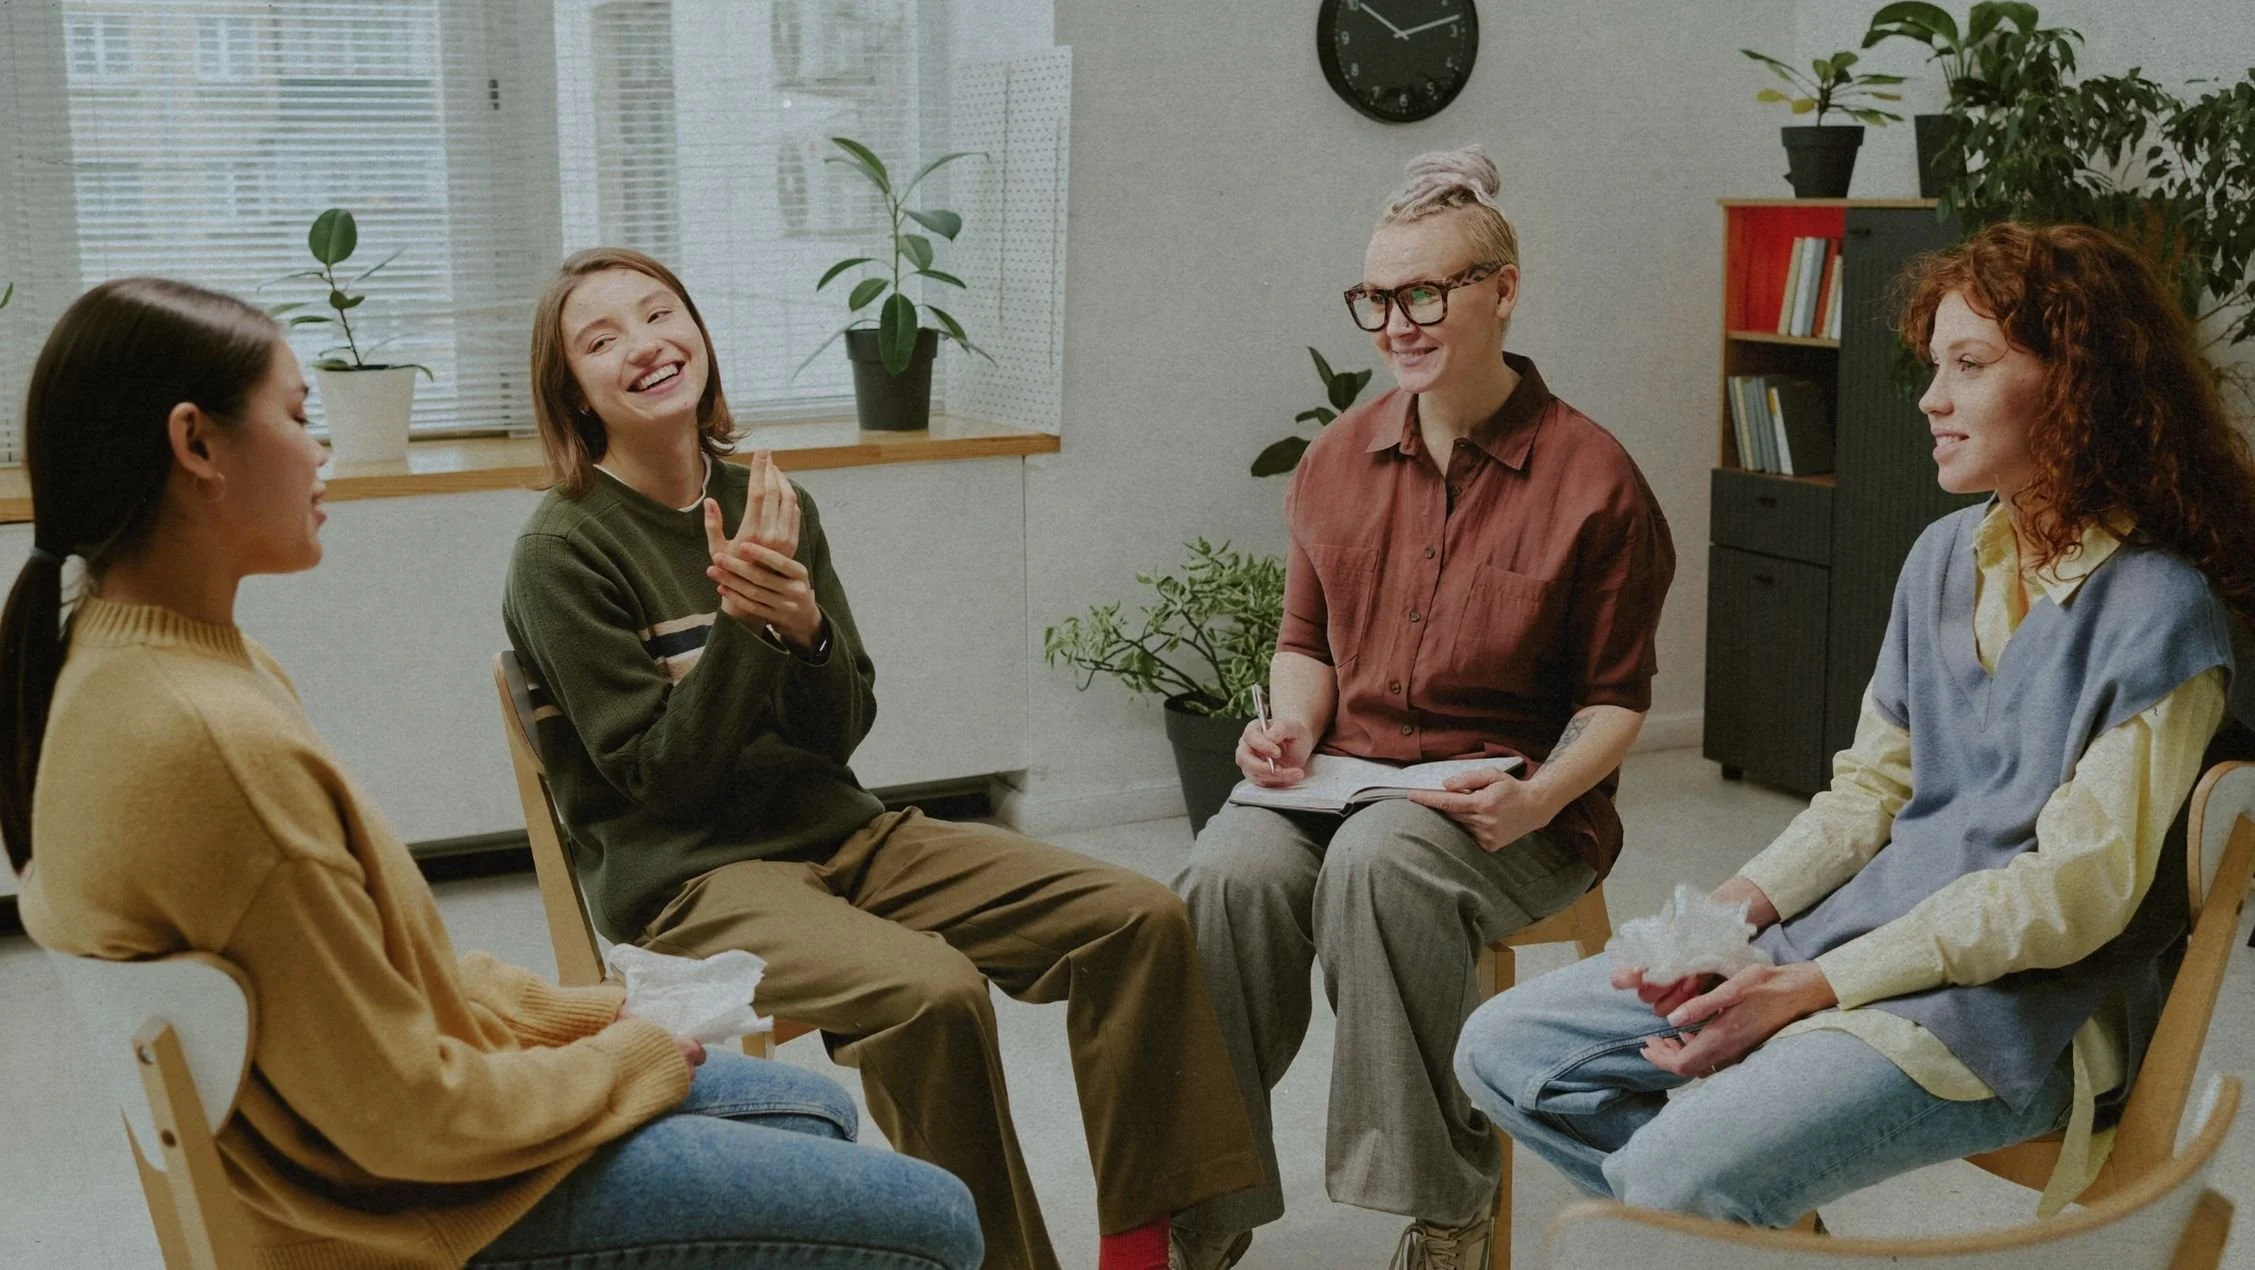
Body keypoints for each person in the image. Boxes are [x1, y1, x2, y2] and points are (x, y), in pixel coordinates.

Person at [7, 278, 983, 1270]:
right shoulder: (209, 740)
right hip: (403, 1214)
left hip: (381, 1150)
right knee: (939, 1218)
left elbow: (369, 976)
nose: (321, 449)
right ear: (196, 445)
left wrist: (585, 1015)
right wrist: (625, 1056)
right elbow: (411, 1117)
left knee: (809, 1107)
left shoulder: (145, 664)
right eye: (298, 415)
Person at [1454, 221, 2255, 1229]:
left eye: (1968, 365)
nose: (1930, 398)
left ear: (2076, 383)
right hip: (1851, 941)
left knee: (1671, 1175)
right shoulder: (1941, 557)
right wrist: (1725, 925)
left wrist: (1814, 986)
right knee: (1501, 1048)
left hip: (2010, 1014)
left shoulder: (2160, 611)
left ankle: (1713, 1221)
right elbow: (1864, 797)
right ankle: (1734, 1229)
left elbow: (2070, 899)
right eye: (1934, 365)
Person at [501, 247, 1263, 1270]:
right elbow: (660, 782)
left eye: (658, 312)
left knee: (1138, 916)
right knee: (930, 991)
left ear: (697, 330)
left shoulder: (771, 498)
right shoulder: (562, 549)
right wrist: (747, 629)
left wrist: (804, 630)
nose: (644, 344)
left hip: (842, 829)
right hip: (692, 878)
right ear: (572, 392)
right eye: (601, 339)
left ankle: (1143, 1250)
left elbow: (839, 731)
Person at [1170, 147, 1676, 1270]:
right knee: (1224, 877)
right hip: (1347, 778)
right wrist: (1292, 728)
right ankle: (1206, 1200)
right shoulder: (1334, 461)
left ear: (1502, 289)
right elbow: (1304, 644)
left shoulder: (1595, 481)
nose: (1396, 325)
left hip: (1515, 806)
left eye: (1425, 294)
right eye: (1376, 299)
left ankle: (1447, 1205)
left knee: (1381, 863)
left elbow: (1613, 702)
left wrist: (1535, 796)